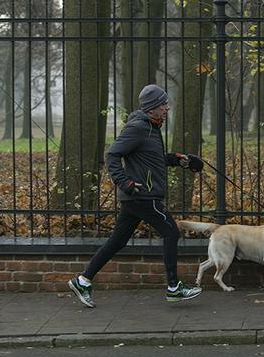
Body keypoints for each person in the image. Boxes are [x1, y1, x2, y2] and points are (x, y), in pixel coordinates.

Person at [68, 84, 204, 307]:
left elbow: (152, 159)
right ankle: (174, 287)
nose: (167, 108)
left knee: (117, 241)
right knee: (171, 231)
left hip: (138, 197)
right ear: (152, 108)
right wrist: (126, 183)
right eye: (163, 105)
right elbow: (112, 154)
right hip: (142, 196)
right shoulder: (138, 128)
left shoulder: (151, 128)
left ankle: (83, 280)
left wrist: (180, 160)